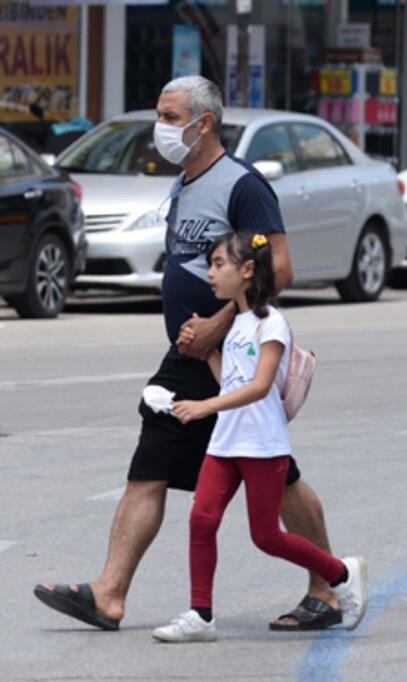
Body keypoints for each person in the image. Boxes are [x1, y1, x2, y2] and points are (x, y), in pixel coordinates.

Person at [34, 75, 345, 633]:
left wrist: (219, 326)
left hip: (235, 355)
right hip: (189, 357)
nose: (162, 128)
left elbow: (281, 269)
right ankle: (108, 594)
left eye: (171, 117)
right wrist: (193, 336)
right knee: (148, 469)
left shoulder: (243, 185)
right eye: (161, 115)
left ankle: (328, 586)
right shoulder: (182, 184)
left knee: (279, 478)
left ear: (204, 124)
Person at [152, 232, 366, 642]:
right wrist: (205, 351)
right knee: (202, 520)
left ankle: (340, 572)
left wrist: (203, 407)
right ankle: (201, 615)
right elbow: (229, 381)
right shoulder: (233, 327)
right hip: (226, 443)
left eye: (219, 264)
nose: (211, 273)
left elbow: (261, 386)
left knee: (266, 536)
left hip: (262, 444)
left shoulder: (273, 324)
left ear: (247, 270)